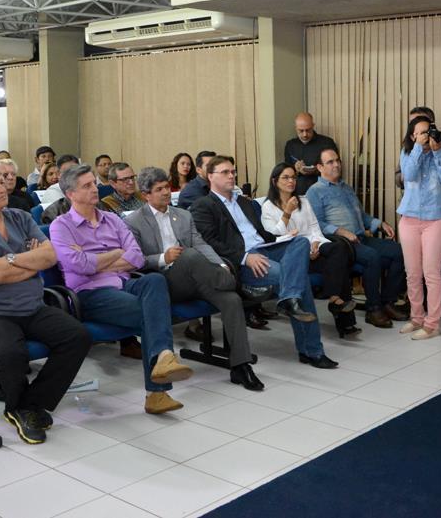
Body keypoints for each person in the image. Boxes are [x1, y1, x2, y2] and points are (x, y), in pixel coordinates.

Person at [0, 163, 91, 444]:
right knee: (11, 351)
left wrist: (9, 263)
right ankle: (19, 408)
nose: (2, 188)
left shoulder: (21, 218)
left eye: (1, 182)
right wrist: (28, 262)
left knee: (77, 336)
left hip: (30, 306)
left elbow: (50, 256)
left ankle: (29, 403)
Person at [51, 165, 194, 414]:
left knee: (155, 282)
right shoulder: (61, 226)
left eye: (94, 183)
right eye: (87, 186)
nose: (95, 188)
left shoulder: (112, 219)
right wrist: (117, 254)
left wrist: (98, 260)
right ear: (70, 193)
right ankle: (157, 387)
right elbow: (79, 265)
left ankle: (162, 362)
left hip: (124, 283)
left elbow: (137, 258)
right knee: (153, 312)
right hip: (90, 293)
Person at [192, 156, 337, 369]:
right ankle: (311, 350)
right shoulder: (203, 206)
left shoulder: (244, 202)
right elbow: (209, 243)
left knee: (300, 242)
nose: (231, 176)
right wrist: (245, 257)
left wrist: (282, 239)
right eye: (225, 172)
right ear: (210, 176)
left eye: (233, 171)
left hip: (267, 248)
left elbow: (263, 234)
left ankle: (289, 300)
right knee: (300, 281)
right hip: (244, 262)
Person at [128, 167, 263, 391]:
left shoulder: (182, 214)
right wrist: (162, 257)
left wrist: (219, 264)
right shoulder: (134, 221)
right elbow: (135, 260)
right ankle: (237, 283)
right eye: (159, 189)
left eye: (166, 187)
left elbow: (201, 243)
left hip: (198, 275)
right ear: (146, 195)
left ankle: (241, 365)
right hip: (164, 283)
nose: (165, 193)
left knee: (231, 300)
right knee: (189, 255)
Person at [307, 148, 407, 328]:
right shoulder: (314, 191)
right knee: (372, 257)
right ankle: (373, 309)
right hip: (342, 244)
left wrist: (379, 224)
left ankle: (388, 302)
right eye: (330, 162)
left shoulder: (346, 187)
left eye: (337, 160)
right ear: (319, 167)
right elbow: (316, 223)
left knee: (399, 252)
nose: (336, 164)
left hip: (361, 238)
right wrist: (341, 231)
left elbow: (362, 215)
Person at [262, 163, 360, 339]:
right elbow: (275, 237)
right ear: (275, 181)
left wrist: (315, 243)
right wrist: (287, 213)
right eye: (286, 177)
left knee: (339, 249)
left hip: (313, 248)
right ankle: (342, 315)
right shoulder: (267, 206)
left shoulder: (303, 201)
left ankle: (334, 299)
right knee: (338, 265)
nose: (291, 181)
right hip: (292, 254)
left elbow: (315, 228)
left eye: (293, 177)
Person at [396, 116, 441, 340]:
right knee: (412, 274)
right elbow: (408, 175)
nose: (425, 136)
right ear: (413, 136)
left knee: (431, 273)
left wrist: (438, 151)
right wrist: (419, 150)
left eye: (428, 131)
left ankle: (432, 324)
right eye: (420, 133)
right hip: (409, 219)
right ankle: (416, 317)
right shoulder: (407, 153)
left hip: (436, 219)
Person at [284, 112, 338, 195]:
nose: (305, 134)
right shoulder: (290, 145)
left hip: (323, 192)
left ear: (313, 126)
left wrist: (317, 170)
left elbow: (336, 169)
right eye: (301, 131)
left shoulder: (327, 143)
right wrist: (295, 169)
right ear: (296, 128)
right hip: (298, 194)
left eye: (308, 130)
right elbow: (285, 172)